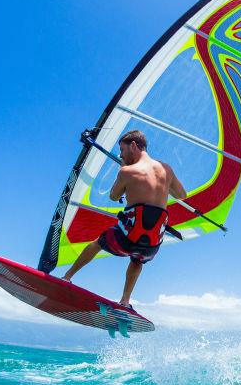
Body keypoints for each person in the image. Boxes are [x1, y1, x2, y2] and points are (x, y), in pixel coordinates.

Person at [62, 130, 186, 310]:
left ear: (133, 146)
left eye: (122, 149)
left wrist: (122, 168)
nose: (120, 154)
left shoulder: (127, 171)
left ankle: (67, 277)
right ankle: (125, 301)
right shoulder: (166, 169)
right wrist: (165, 187)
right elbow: (181, 195)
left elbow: (113, 196)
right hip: (151, 246)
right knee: (137, 259)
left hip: (127, 240)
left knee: (98, 243)